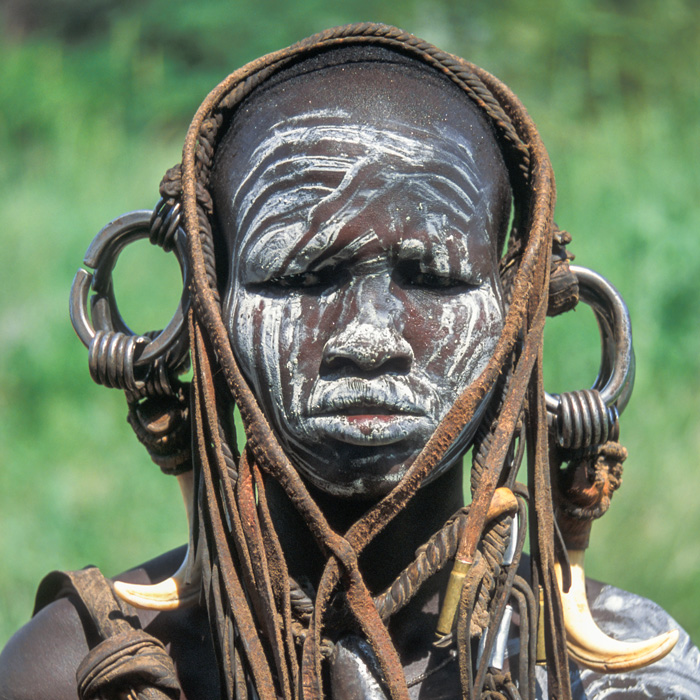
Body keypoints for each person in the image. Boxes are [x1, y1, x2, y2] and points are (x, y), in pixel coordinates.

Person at [1, 23, 698, 700]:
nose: (368, 338)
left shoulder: (630, 678)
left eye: (433, 277)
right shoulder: (81, 672)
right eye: (303, 277)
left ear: (518, 310)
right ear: (204, 305)